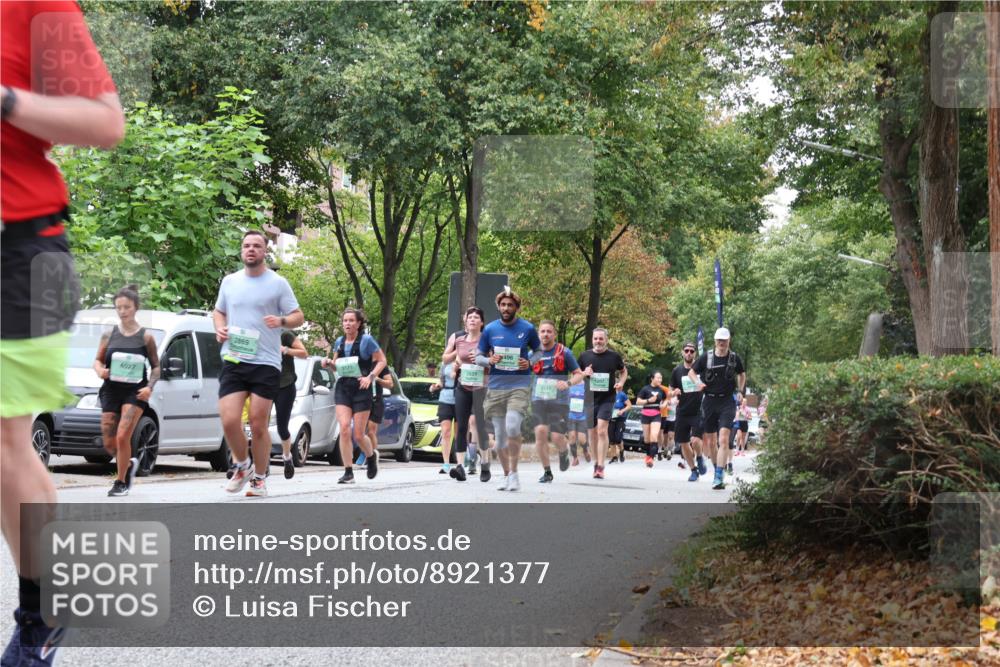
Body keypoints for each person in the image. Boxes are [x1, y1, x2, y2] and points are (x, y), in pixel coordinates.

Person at [1, 2, 125, 662]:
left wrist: (5, 101)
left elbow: (106, 122)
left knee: (3, 438)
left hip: (19, 250)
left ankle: (42, 611)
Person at [215, 230, 304, 497]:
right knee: (230, 420)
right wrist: (219, 328)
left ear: (265, 251)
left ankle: (260, 479)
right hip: (234, 357)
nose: (251, 249)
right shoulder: (230, 282)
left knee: (257, 423)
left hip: (265, 362)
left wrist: (282, 321)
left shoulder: (278, 283)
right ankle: (243, 466)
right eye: (246, 245)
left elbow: (298, 316)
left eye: (256, 245)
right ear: (241, 250)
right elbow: (219, 311)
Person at [93, 285, 160, 496]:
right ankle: (128, 464)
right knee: (109, 442)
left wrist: (149, 387)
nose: (122, 311)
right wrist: (100, 370)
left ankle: (121, 482)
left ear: (136, 307)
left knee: (123, 436)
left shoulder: (146, 337)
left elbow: (156, 367)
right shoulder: (109, 334)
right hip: (111, 390)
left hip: (135, 392)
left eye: (127, 307)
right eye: (119, 307)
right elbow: (97, 360)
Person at [477, 287, 541, 492]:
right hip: (496, 387)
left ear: (517, 308)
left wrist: (529, 362)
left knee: (512, 426)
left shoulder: (527, 328)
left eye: (510, 305)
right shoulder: (490, 329)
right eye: (503, 305)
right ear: (498, 306)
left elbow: (539, 351)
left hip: (519, 385)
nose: (506, 308)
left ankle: (514, 473)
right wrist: (489, 360)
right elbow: (478, 357)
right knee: (500, 438)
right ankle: (507, 475)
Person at [321, 308, 387, 485]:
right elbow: (336, 366)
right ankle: (348, 472)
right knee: (344, 428)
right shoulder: (339, 342)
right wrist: (328, 363)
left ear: (358, 324)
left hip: (361, 388)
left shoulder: (367, 341)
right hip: (343, 387)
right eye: (345, 320)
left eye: (351, 320)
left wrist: (370, 377)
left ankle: (371, 456)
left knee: (358, 435)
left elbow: (382, 361)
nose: (347, 323)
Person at [688, 328, 746, 490]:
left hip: (727, 401)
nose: (722, 343)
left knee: (724, 439)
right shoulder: (707, 357)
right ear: (715, 341)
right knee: (711, 441)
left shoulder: (734, 358)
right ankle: (716, 470)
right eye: (719, 340)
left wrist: (740, 391)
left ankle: (719, 475)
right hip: (709, 401)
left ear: (729, 341)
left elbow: (742, 374)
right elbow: (692, 372)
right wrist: (698, 383)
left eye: (724, 340)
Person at [530, 320, 583, 483]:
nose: (545, 334)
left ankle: (563, 451)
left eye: (549, 331)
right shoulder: (533, 354)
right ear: (538, 334)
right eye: (542, 331)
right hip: (539, 399)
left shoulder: (565, 352)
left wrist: (568, 383)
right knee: (540, 433)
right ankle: (547, 472)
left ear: (554, 334)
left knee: (557, 437)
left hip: (559, 401)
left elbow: (579, 374)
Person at [441, 307, 491, 482]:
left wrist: (482, 360)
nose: (473, 320)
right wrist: (456, 365)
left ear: (481, 322)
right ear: (466, 321)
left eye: (476, 317)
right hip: (463, 387)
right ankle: (460, 466)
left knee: (479, 426)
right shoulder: (459, 340)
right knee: (461, 426)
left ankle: (484, 463)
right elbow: (449, 359)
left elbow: (495, 363)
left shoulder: (487, 340)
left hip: (481, 388)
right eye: (470, 317)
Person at [577, 328, 627, 479]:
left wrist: (621, 383)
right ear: (592, 339)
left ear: (606, 340)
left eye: (601, 338)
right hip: (589, 399)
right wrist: (584, 373)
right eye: (595, 338)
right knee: (592, 433)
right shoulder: (584, 356)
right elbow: (575, 375)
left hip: (607, 398)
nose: (598, 341)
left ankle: (601, 466)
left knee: (601, 431)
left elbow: (623, 371)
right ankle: (595, 462)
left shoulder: (614, 356)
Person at [277, 330, 308, 479]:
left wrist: (285, 350)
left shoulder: (285, 335)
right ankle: (262, 464)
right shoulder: (257, 332)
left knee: (282, 428)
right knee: (258, 427)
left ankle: (287, 457)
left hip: (285, 385)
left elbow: (304, 353)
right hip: (264, 384)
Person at [430, 362, 460, 478]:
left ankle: (461, 463)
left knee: (459, 434)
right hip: (445, 400)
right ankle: (446, 464)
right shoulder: (445, 363)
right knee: (446, 432)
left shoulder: (464, 360)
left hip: (460, 399)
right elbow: (442, 381)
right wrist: (435, 386)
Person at [364, 365, 393, 473]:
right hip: (360, 400)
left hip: (375, 401)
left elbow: (390, 384)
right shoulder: (359, 361)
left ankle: (372, 457)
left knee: (371, 431)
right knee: (360, 433)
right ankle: (366, 455)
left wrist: (377, 379)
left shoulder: (381, 365)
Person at [636, 371, 668, 468]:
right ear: (652, 378)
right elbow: (638, 402)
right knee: (647, 439)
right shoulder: (645, 389)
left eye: (661, 378)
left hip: (656, 415)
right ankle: (648, 455)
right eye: (658, 378)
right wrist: (648, 400)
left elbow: (666, 399)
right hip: (645, 415)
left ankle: (651, 458)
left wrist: (664, 404)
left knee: (654, 437)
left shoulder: (661, 390)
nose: (660, 380)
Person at [566, 382, 591, 465]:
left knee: (581, 439)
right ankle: (575, 458)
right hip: (570, 416)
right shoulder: (569, 384)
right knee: (572, 437)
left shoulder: (586, 386)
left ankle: (585, 451)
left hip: (582, 416)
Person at [607, 388, 631, 464]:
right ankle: (614, 457)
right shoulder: (608, 394)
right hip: (611, 419)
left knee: (618, 439)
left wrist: (622, 411)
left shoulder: (622, 394)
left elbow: (629, 405)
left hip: (620, 419)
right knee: (611, 439)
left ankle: (621, 451)